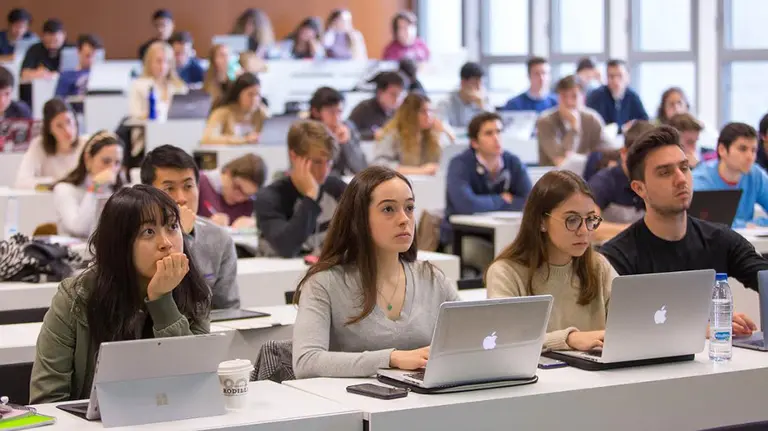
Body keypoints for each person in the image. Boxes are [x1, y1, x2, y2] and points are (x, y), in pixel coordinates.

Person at [29, 185, 211, 404]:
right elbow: (48, 400)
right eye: (148, 232)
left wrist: (163, 301)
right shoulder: (75, 297)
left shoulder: (194, 293)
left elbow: (194, 384)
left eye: (172, 226)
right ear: (120, 244)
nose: (166, 243)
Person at [292, 166, 460, 378]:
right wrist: (391, 359)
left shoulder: (432, 278)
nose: (404, 219)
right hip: (352, 404)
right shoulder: (323, 283)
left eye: (409, 208)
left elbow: (469, 340)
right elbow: (305, 362)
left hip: (423, 402)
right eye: (388, 209)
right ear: (358, 219)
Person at [601, 125, 765, 335]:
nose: (680, 179)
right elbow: (626, 332)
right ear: (639, 188)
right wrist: (700, 328)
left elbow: (764, 277)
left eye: (684, 167)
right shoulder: (617, 256)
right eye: (665, 172)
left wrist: (712, 324)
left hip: (717, 364)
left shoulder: (720, 239)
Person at [486, 170, 615, 351]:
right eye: (572, 220)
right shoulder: (506, 272)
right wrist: (569, 339)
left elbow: (630, 323)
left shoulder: (598, 265)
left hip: (599, 376)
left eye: (590, 219)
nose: (584, 230)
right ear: (541, 221)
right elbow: (504, 339)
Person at [140, 145, 240, 310]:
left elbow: (229, 308)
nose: (181, 198)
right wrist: (181, 236)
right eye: (169, 188)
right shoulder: (138, 237)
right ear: (147, 192)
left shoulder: (219, 238)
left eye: (188, 186)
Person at [442, 112, 533, 272]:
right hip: (462, 238)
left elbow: (529, 202)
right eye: (489, 133)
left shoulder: (513, 162)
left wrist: (486, 203)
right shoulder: (459, 164)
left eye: (498, 131)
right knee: (498, 261)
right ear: (474, 142)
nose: (496, 137)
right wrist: (503, 200)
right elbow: (466, 205)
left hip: (504, 235)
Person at [253, 120, 346, 258]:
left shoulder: (337, 189)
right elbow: (287, 248)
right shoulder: (268, 198)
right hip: (278, 277)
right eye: (317, 162)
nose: (324, 171)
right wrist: (310, 197)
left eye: (329, 162)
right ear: (294, 157)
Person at [588, 121, 655, 241]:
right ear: (624, 153)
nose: (644, 164)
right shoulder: (603, 182)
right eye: (639, 157)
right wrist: (638, 231)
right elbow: (589, 228)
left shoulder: (659, 181)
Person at [692, 122, 768, 228]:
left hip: (747, 242)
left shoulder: (756, 175)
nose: (750, 157)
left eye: (754, 150)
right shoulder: (700, 180)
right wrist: (745, 225)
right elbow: (702, 223)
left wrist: (757, 223)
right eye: (742, 149)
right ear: (722, 150)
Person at [52, 131, 124, 238]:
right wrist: (95, 186)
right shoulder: (64, 189)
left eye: (117, 163)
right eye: (106, 161)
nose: (112, 169)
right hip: (74, 253)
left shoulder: (117, 191)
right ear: (88, 159)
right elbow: (80, 229)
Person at [536, 75, 610, 167]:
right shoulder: (545, 122)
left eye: (574, 96)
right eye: (564, 96)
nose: (569, 102)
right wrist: (574, 127)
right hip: (554, 178)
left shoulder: (593, 119)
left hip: (589, 177)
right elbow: (562, 163)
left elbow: (607, 155)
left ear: (583, 98)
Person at [374, 92, 452, 176]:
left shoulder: (432, 133)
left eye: (430, 111)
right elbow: (379, 165)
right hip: (400, 183)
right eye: (423, 111)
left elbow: (447, 160)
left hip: (429, 183)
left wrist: (445, 132)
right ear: (410, 114)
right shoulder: (393, 134)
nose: (429, 115)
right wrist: (420, 171)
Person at [15, 98, 85, 189]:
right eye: (59, 126)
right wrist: (55, 183)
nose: (67, 131)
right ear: (49, 129)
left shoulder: (86, 145)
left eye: (69, 122)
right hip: (49, 201)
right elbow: (21, 182)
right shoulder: (39, 145)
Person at [309, 86, 367, 176]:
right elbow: (316, 171)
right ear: (316, 112)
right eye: (331, 112)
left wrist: (347, 143)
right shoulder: (306, 131)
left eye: (339, 112)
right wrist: (333, 143)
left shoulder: (348, 127)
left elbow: (361, 168)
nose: (336, 118)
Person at [198, 153, 265, 229]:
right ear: (227, 173)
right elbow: (183, 221)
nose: (239, 198)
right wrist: (206, 223)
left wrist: (255, 223)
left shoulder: (251, 201)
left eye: (247, 195)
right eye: (238, 187)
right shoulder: (198, 183)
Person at [202, 73, 266, 145]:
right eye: (250, 94)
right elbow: (207, 139)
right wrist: (244, 140)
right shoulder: (222, 113)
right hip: (226, 155)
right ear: (238, 95)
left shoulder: (261, 114)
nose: (254, 99)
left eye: (257, 94)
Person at [128, 41, 187, 121]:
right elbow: (134, 116)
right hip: (147, 130)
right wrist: (150, 115)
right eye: (158, 61)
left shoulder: (179, 87)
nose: (163, 66)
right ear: (149, 62)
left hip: (175, 130)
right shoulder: (138, 86)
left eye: (167, 61)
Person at [586, 59, 648, 131]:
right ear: (606, 77)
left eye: (620, 76)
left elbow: (644, 121)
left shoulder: (633, 96)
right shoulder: (596, 96)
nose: (615, 81)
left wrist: (634, 124)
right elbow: (589, 122)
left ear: (627, 77)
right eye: (611, 76)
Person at [348, 71, 405, 140]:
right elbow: (348, 133)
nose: (397, 99)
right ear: (380, 92)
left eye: (399, 95)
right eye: (393, 94)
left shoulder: (400, 111)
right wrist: (372, 135)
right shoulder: (363, 109)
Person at [439, 62, 491, 128]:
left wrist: (482, 106)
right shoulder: (446, 103)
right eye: (475, 83)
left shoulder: (483, 99)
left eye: (480, 83)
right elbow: (442, 126)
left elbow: (494, 124)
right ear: (463, 83)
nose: (478, 87)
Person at [54, 34, 102, 98]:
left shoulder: (102, 76)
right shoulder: (66, 76)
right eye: (88, 56)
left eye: (95, 56)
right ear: (78, 52)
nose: (91, 60)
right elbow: (58, 102)